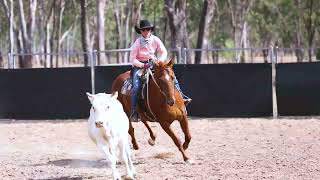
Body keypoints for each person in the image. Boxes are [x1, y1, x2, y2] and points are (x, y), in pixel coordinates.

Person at [129, 19, 191, 122]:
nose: (146, 31)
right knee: (136, 86)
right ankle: (134, 110)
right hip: (140, 66)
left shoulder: (155, 40)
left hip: (154, 63)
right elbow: (132, 59)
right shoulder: (137, 43)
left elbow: (164, 52)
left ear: (151, 30)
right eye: (143, 29)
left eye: (148, 29)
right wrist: (143, 65)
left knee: (170, 77)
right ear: (140, 31)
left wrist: (159, 61)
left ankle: (182, 97)